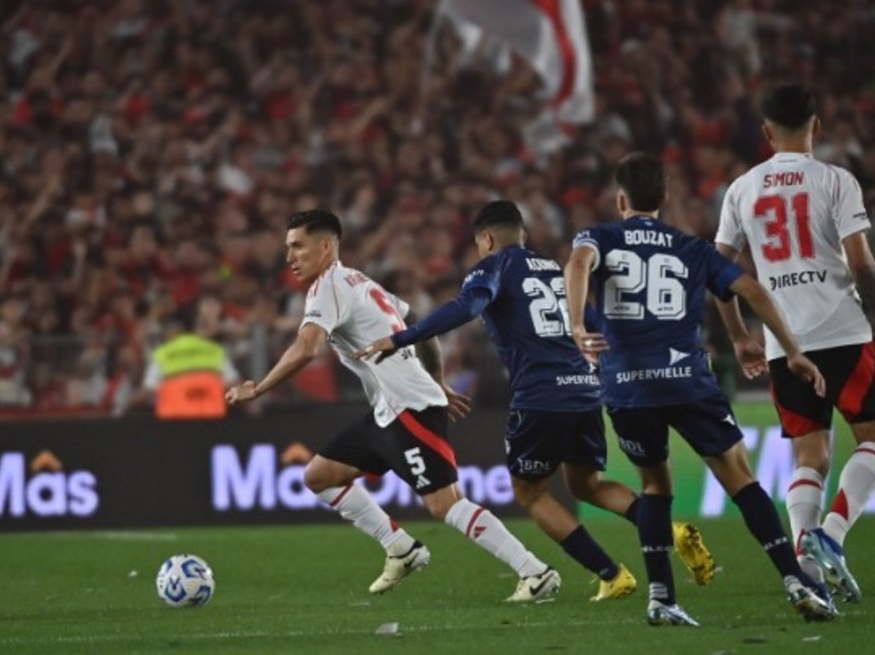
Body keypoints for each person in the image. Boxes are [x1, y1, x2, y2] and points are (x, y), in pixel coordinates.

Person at [352, 200, 717, 603]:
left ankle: (611, 573)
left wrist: (401, 337)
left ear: (486, 239)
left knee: (531, 493)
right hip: (585, 390)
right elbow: (598, 326)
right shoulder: (559, 273)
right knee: (587, 484)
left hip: (541, 396)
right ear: (522, 235)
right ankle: (672, 530)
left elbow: (467, 306)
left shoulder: (494, 267)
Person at [225, 209, 561, 602]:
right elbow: (416, 320)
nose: (290, 257)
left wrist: (259, 388)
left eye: (298, 246)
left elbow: (308, 346)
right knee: (319, 476)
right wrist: (435, 377)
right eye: (288, 248)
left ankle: (535, 572)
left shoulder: (329, 286)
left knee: (444, 503)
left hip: (409, 407)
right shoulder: (359, 281)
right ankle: (400, 547)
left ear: (327, 245)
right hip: (388, 409)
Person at [565, 152, 836, 626]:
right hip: (687, 380)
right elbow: (750, 290)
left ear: (621, 198)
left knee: (654, 485)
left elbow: (578, 264)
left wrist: (575, 324)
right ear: (664, 197)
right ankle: (796, 581)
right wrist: (790, 350)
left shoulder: (598, 237)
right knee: (740, 477)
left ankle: (661, 597)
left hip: (627, 386)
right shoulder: (690, 247)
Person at [713, 84, 875, 605]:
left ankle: (805, 563)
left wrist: (739, 337)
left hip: (784, 340)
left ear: (766, 132)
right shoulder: (835, 181)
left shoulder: (742, 189)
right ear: (816, 127)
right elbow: (861, 261)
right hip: (843, 330)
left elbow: (720, 273)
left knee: (810, 454)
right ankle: (832, 536)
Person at [143, 300, 240, 419]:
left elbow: (149, 391)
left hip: (172, 424)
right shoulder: (215, 350)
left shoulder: (163, 353)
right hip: (211, 422)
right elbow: (234, 385)